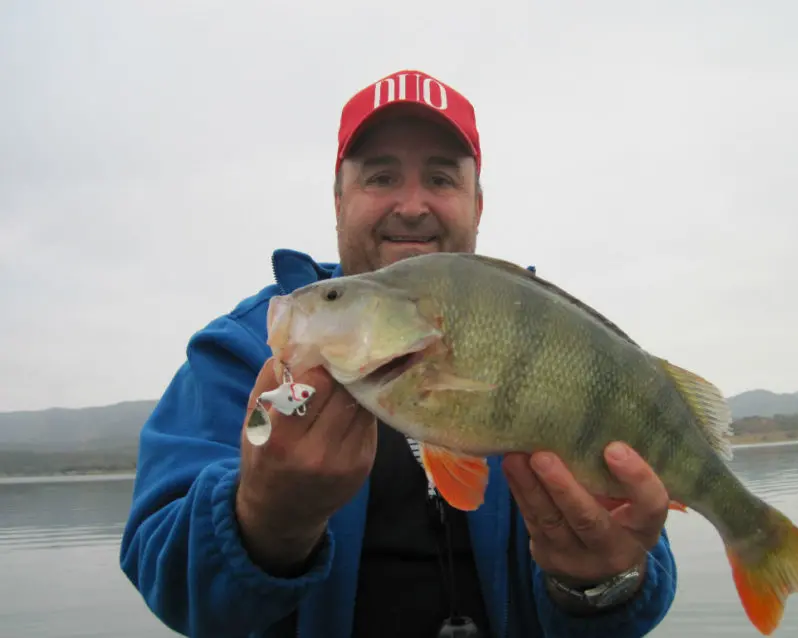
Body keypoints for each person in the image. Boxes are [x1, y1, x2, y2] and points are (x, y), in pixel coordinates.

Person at [119, 69, 678, 638]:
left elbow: (639, 562)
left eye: (440, 178)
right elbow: (162, 572)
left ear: (477, 205)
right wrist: (263, 523)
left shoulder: (550, 341)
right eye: (381, 176)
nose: (412, 206)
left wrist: (599, 585)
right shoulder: (239, 353)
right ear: (338, 201)